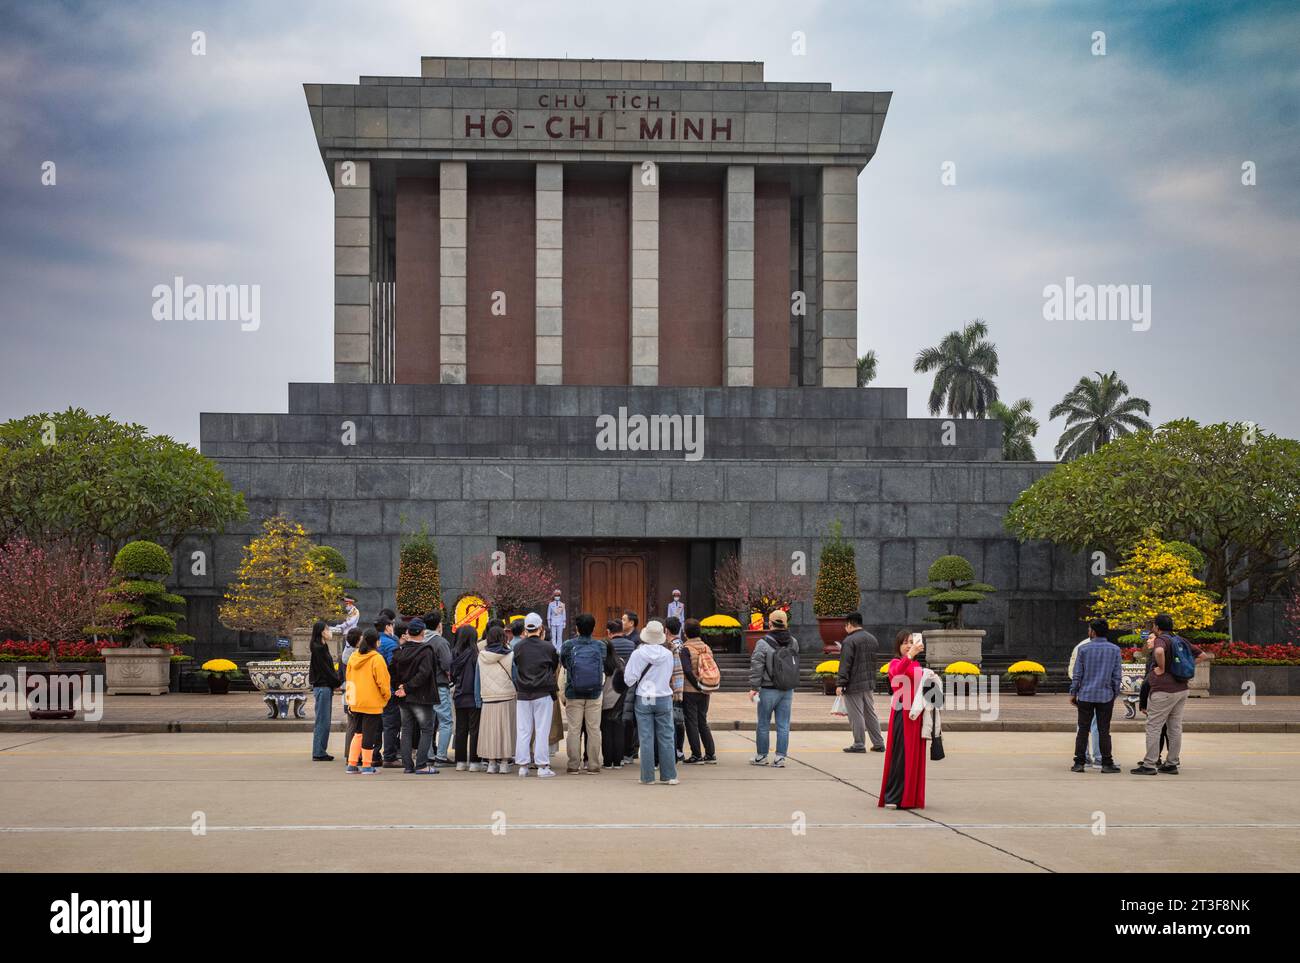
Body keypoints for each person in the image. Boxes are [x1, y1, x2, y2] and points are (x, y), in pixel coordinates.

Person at [1132, 613, 1213, 775]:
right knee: (1174, 727)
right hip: (1182, 689)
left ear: (1157, 627)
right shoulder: (1180, 639)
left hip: (1164, 690)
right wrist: (1187, 664)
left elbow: (1160, 651)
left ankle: (1149, 764)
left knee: (1154, 726)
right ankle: (1172, 763)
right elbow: (1203, 656)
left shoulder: (1161, 639)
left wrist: (1162, 668)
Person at [622, 619, 678, 785]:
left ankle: (647, 777)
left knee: (646, 737)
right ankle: (669, 775)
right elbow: (671, 675)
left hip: (644, 696)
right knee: (667, 736)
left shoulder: (638, 654)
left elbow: (629, 679)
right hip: (663, 696)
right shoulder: (668, 654)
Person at [560, 612, 616, 774]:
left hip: (573, 691)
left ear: (577, 628)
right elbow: (603, 664)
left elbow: (564, 663)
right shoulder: (600, 646)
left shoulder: (568, 645)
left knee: (574, 729)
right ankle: (593, 764)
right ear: (593, 628)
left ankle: (573, 765)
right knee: (593, 729)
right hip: (594, 692)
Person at [879, 631, 929, 809]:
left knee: (915, 755)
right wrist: (909, 655)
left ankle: (911, 797)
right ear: (898, 646)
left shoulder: (917, 665)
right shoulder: (895, 663)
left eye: (911, 642)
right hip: (902, 713)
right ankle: (893, 796)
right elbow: (896, 674)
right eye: (905, 643)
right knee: (900, 754)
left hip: (916, 714)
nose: (909, 645)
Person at [1068, 619, 1122, 774]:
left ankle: (1079, 762)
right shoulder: (1114, 650)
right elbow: (1117, 675)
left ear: (1093, 631)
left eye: (1089, 629)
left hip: (1085, 694)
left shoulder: (1083, 649)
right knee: (1104, 729)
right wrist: (1114, 692)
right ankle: (1106, 762)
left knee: (1083, 729)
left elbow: (1078, 674)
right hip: (1106, 695)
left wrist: (1073, 692)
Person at [748, 609, 799, 767]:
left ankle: (762, 756)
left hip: (768, 689)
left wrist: (754, 687)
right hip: (787, 689)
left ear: (770, 623)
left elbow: (757, 666)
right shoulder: (793, 642)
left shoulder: (763, 643)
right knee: (783, 724)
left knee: (763, 723)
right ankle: (780, 758)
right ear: (785, 623)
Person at [513, 612, 560, 777]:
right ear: (540, 628)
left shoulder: (518, 647)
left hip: (523, 693)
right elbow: (554, 665)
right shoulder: (548, 647)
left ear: (525, 628)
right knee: (542, 729)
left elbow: (517, 664)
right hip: (543, 691)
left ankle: (523, 765)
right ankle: (542, 766)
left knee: (523, 729)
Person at [390, 618, 437, 774]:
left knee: (406, 729)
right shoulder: (426, 651)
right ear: (423, 633)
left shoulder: (399, 652)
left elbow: (392, 672)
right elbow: (424, 674)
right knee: (427, 729)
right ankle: (422, 764)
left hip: (403, 697)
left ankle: (408, 765)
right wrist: (408, 688)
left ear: (408, 633)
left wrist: (399, 687)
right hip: (421, 696)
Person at [836, 612, 885, 754]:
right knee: (870, 713)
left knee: (855, 713)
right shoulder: (872, 639)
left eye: (845, 626)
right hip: (868, 682)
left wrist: (841, 683)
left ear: (850, 624)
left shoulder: (849, 641)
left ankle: (859, 744)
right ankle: (878, 743)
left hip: (854, 683)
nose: (845, 629)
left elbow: (845, 664)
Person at [344, 628, 391, 774]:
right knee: (369, 734)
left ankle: (352, 763)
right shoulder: (376, 659)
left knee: (358, 733)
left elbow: (349, 680)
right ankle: (366, 764)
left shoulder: (353, 657)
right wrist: (386, 696)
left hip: (356, 702)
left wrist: (350, 701)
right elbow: (383, 682)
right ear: (376, 642)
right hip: (372, 703)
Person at [477, 625, 517, 773]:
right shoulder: (510, 655)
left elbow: (477, 679)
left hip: (487, 697)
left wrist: (478, 698)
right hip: (507, 696)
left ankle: (492, 763)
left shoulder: (481, 655)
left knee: (490, 731)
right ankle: (505, 763)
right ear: (503, 638)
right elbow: (515, 676)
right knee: (506, 730)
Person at [680, 618, 717, 764]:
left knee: (691, 722)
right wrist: (703, 686)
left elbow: (687, 670)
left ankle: (696, 754)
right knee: (702, 721)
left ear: (685, 633)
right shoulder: (707, 647)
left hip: (690, 690)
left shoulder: (686, 649)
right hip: (706, 689)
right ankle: (710, 753)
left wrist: (696, 685)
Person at [422, 611, 455, 767]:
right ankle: (441, 756)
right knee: (445, 721)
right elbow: (447, 664)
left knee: (427, 722)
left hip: (423, 687)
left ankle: (428, 755)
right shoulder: (441, 642)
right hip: (440, 685)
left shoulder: (420, 640)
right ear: (439, 625)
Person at [1068, 634, 1104, 769]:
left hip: (1085, 691)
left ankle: (1085, 757)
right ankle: (1097, 757)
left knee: (1084, 725)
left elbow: (1073, 672)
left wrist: (1075, 690)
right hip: (1097, 691)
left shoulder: (1082, 646)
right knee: (1095, 725)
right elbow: (1074, 671)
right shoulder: (1085, 647)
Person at [450, 624, 483, 771]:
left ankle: (460, 761)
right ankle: (474, 762)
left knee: (461, 729)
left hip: (459, 695)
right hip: (474, 696)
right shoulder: (476, 654)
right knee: (474, 729)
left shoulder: (454, 654)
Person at [308, 620, 340, 761]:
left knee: (324, 720)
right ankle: (318, 752)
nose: (329, 632)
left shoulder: (322, 646)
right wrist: (337, 682)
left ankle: (320, 750)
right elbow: (326, 670)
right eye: (327, 629)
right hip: (322, 687)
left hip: (325, 686)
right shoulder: (318, 648)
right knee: (322, 721)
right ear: (321, 631)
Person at [374, 611, 402, 768]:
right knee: (390, 724)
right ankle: (390, 756)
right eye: (392, 624)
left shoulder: (373, 642)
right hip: (389, 689)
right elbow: (396, 667)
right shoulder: (391, 644)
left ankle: (374, 755)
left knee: (376, 725)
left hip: (374, 691)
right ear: (387, 627)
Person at [601, 619, 628, 768]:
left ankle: (607, 761)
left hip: (604, 700)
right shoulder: (621, 662)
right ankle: (618, 761)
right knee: (618, 731)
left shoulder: (601, 663)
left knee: (606, 732)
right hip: (619, 699)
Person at [620, 610, 642, 765]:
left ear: (632, 623)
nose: (622, 622)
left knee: (633, 719)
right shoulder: (625, 638)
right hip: (624, 683)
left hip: (634, 684)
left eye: (624, 619)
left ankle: (633, 748)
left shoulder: (637, 640)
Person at [338, 627, 362, 767]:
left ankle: (350, 754)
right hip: (354, 690)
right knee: (355, 725)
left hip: (347, 690)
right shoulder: (356, 655)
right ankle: (353, 755)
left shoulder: (344, 654)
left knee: (351, 724)